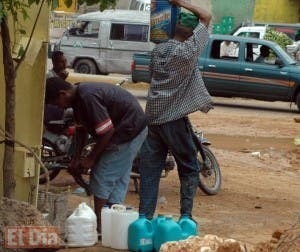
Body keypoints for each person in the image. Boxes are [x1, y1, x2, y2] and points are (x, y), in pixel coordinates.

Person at [139, 0, 213, 220]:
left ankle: (144, 219)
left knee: (150, 172)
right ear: (191, 32)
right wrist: (179, 2)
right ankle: (186, 218)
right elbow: (206, 16)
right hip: (172, 118)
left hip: (152, 118)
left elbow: (152, 76)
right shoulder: (187, 52)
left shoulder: (158, 51)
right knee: (189, 167)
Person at [45, 77, 148, 234]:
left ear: (62, 94)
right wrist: (76, 158)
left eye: (56, 103)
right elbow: (81, 130)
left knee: (102, 174)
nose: (58, 107)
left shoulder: (87, 97)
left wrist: (91, 159)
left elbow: (107, 131)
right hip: (131, 128)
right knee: (117, 176)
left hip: (129, 129)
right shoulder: (78, 97)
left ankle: (101, 227)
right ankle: (113, 222)